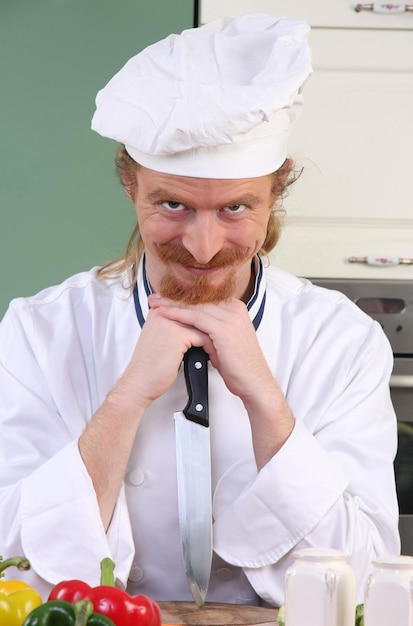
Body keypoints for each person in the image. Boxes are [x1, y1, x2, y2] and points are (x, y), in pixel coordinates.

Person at [0, 13, 400, 607]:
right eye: (173, 204)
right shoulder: (41, 332)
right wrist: (127, 397)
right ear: (129, 185)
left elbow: (371, 584)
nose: (204, 247)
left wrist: (266, 400)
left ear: (276, 192)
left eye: (237, 208)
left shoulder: (341, 342)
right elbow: (15, 565)